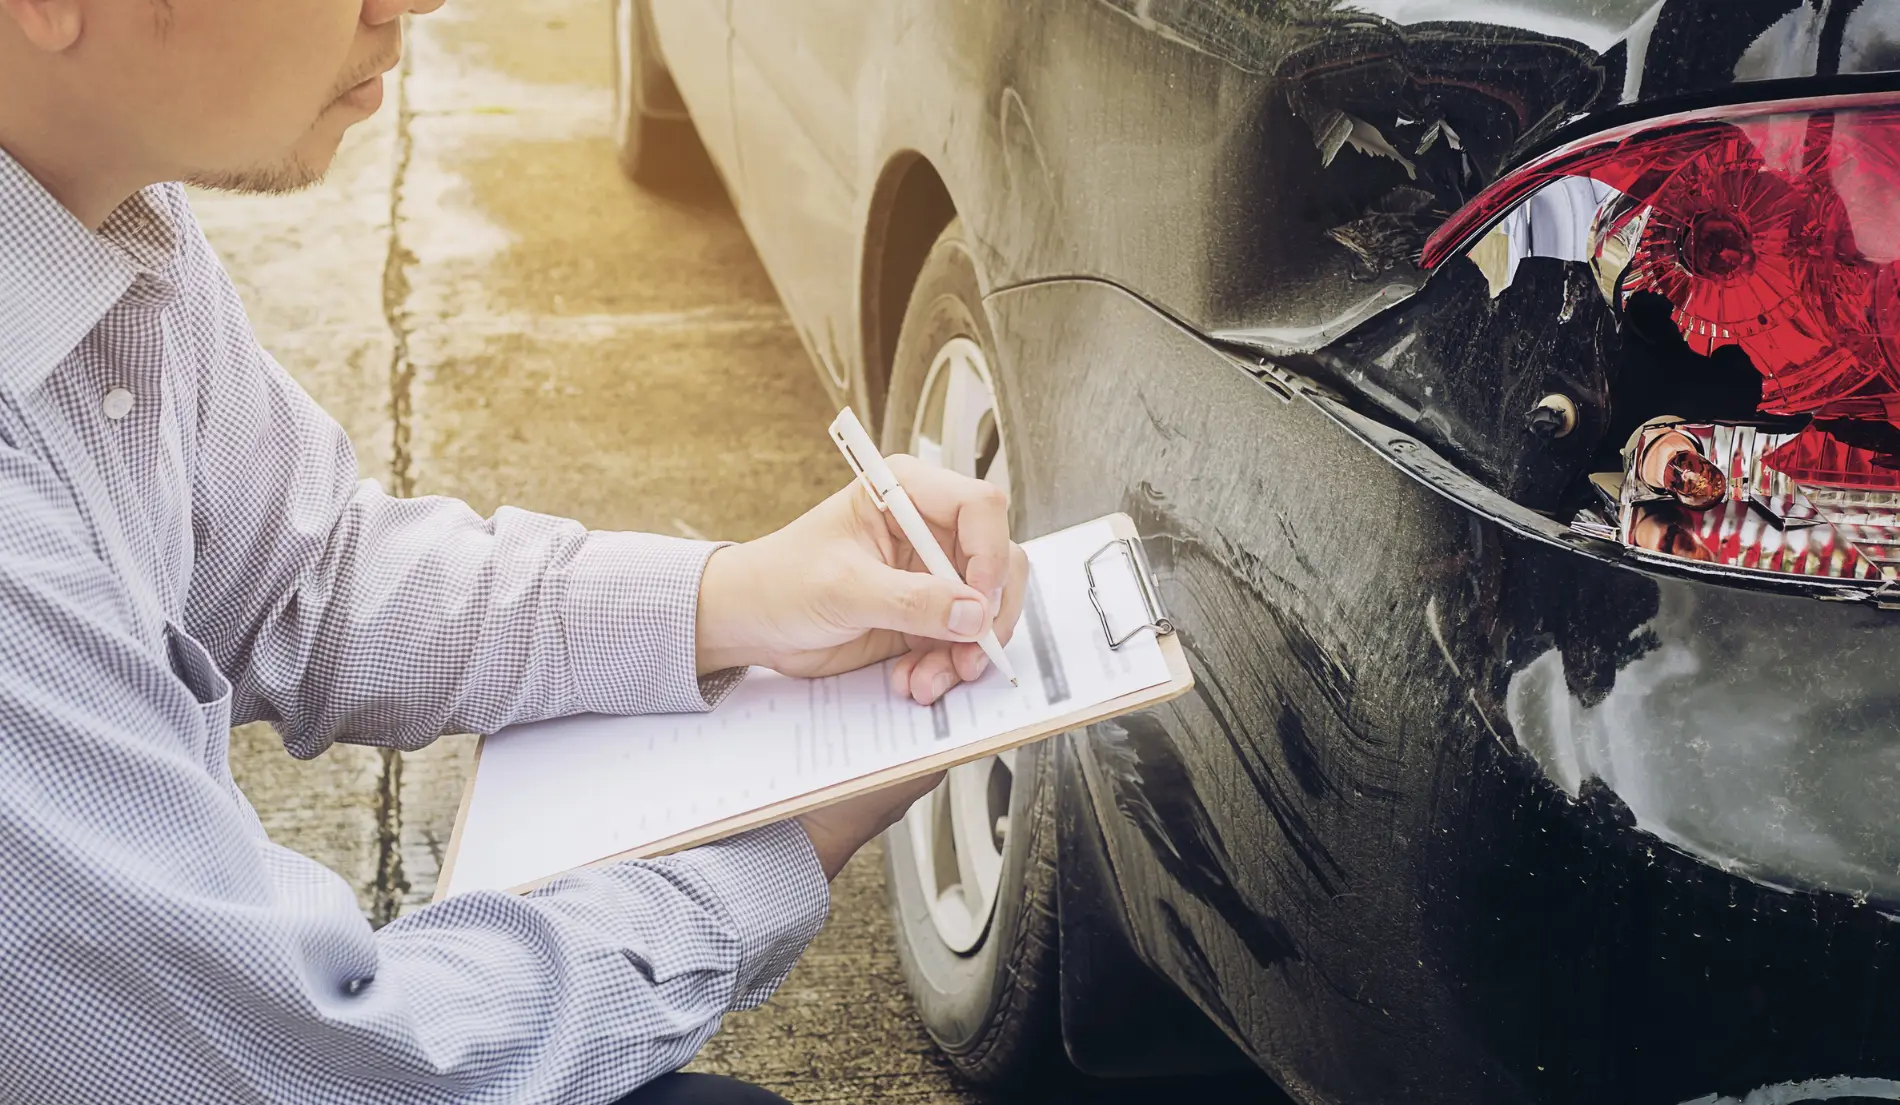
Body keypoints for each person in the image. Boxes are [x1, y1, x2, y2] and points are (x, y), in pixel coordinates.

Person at [0, 0, 1030, 1101]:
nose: (416, 2)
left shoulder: (105, 216)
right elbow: (339, 1064)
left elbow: (304, 578)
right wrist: (777, 847)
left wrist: (733, 598)